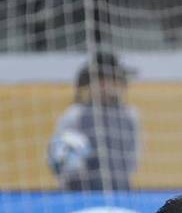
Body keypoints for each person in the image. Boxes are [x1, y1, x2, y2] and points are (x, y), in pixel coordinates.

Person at [47, 51, 140, 191]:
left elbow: (133, 159)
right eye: (103, 80)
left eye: (114, 80)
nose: (108, 86)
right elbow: (57, 155)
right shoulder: (75, 114)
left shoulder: (129, 115)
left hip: (120, 189)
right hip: (79, 192)